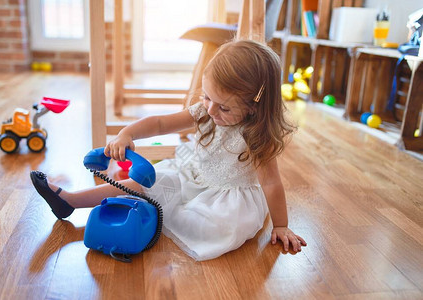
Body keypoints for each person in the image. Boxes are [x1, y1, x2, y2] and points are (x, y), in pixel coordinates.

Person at [30, 39, 307, 261]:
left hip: (225, 196)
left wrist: (280, 225)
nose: (211, 110)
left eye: (223, 107)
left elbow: (271, 183)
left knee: (220, 227)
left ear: (254, 107)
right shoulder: (206, 112)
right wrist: (127, 133)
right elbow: (161, 123)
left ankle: (151, 214)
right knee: (144, 182)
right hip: (191, 174)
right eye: (207, 97)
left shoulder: (256, 136)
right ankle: (71, 201)